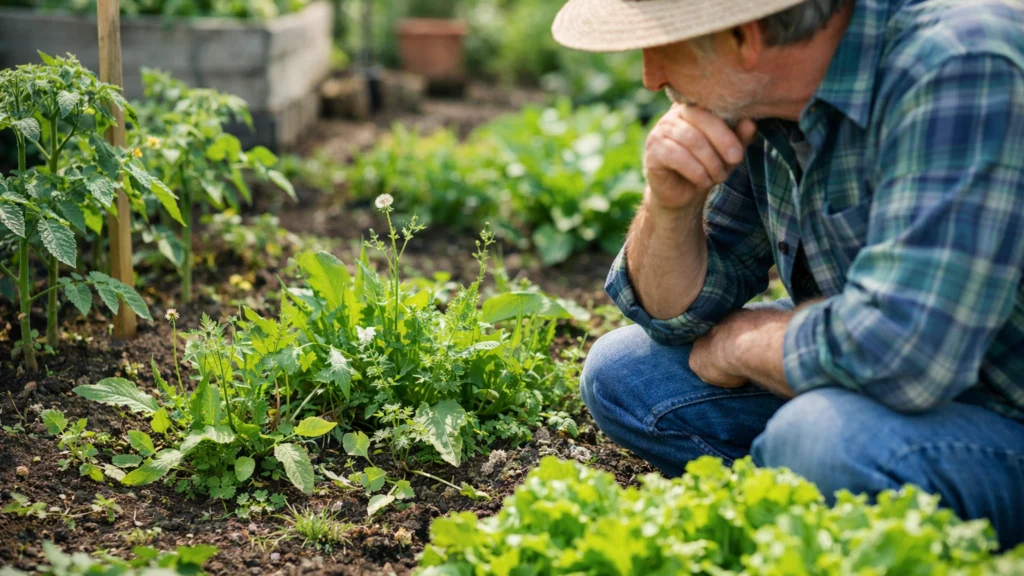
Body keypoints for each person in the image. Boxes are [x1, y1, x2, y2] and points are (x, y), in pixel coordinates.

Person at [552, 0, 1024, 548]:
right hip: (889, 376)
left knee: (818, 441)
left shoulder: (960, 63)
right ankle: (804, 509)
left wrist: (738, 346)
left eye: (663, 44)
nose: (650, 75)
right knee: (626, 374)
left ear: (744, 36)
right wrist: (670, 205)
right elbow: (678, 314)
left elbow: (906, 355)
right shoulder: (773, 100)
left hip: (1002, 406)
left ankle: (795, 506)